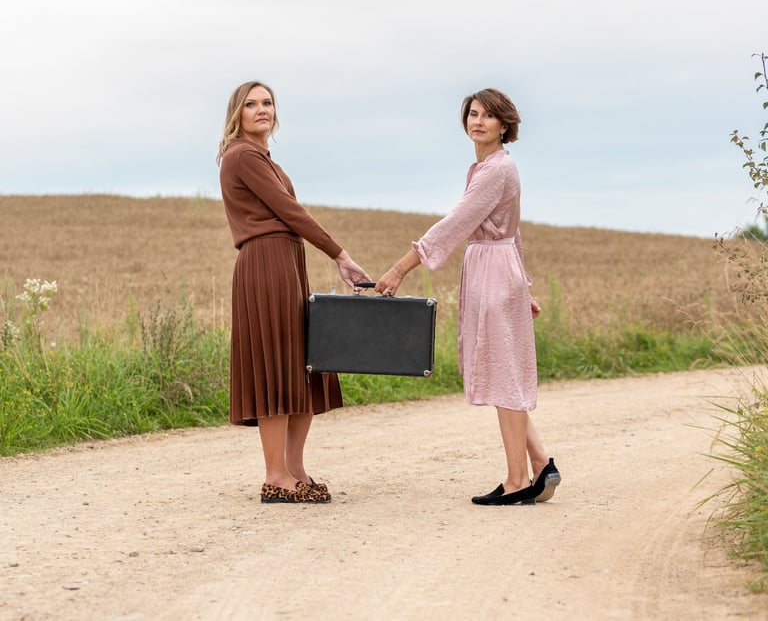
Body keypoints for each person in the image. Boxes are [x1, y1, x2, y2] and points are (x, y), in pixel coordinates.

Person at [375, 88, 560, 506]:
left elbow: (455, 224)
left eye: (488, 116)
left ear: (504, 125)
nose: (478, 121)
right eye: (473, 114)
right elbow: (514, 230)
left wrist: (400, 267)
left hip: (494, 273)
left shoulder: (496, 170)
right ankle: (541, 464)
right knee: (503, 370)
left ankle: (516, 483)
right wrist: (524, 285)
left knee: (502, 374)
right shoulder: (485, 169)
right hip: (497, 269)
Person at [217, 80, 371, 505]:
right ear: (237, 114)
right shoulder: (242, 155)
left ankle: (295, 470)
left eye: (267, 103)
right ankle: (275, 475)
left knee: (302, 362)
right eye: (251, 104)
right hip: (265, 264)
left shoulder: (264, 158)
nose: (261, 109)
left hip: (286, 262)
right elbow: (290, 212)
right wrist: (339, 254)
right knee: (276, 363)